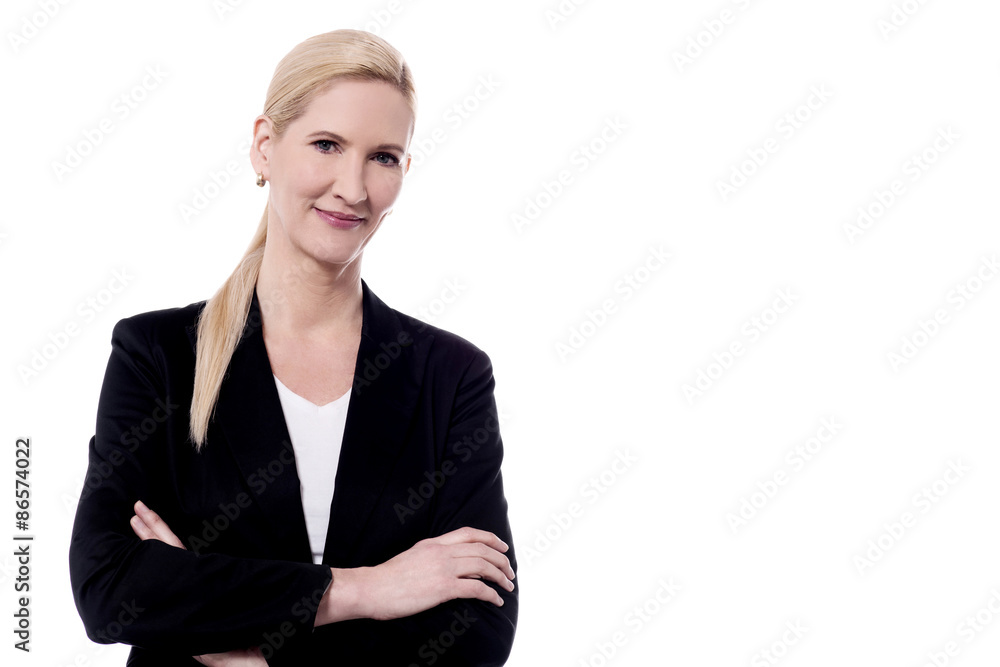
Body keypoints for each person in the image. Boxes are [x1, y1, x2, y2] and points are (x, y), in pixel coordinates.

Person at [68, 29, 518, 666]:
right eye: (327, 145)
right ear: (264, 147)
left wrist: (233, 642)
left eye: (383, 157)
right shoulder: (158, 355)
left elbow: (478, 632)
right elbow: (110, 588)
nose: (353, 187)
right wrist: (366, 589)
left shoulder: (451, 375)